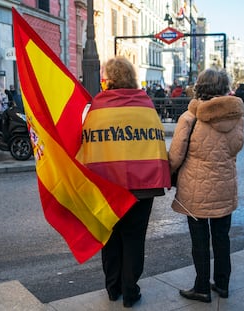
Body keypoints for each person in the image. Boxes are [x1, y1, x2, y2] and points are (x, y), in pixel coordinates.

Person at [76, 56, 170, 308]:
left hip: (107, 186)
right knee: (134, 238)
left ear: (109, 79)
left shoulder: (98, 106)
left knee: (111, 237)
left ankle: (112, 288)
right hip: (142, 186)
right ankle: (130, 291)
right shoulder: (145, 105)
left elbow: (86, 141)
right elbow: (156, 139)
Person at [168, 68, 244, 303]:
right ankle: (222, 284)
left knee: (199, 240)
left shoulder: (190, 118)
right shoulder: (235, 117)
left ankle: (201, 287)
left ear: (200, 87)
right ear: (224, 88)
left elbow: (175, 157)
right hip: (224, 185)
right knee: (222, 237)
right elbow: (235, 148)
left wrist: (169, 173)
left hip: (195, 188)